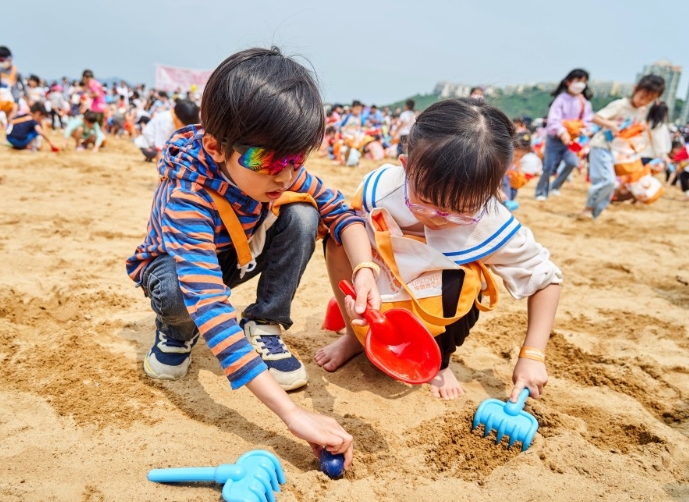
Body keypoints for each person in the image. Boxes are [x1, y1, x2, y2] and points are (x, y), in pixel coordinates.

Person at [126, 48, 383, 469]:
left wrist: (365, 271)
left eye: (296, 159)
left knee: (303, 213)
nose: (284, 175)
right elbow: (210, 304)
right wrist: (292, 414)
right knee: (177, 290)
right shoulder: (186, 198)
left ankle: (264, 323)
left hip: (236, 255)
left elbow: (342, 212)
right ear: (215, 147)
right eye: (267, 161)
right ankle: (176, 332)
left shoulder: (278, 169)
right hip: (177, 269)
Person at [315, 98, 561, 402]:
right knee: (340, 238)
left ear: (492, 192)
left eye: (460, 211)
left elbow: (545, 279)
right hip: (381, 285)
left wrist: (532, 355)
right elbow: (349, 225)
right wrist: (363, 271)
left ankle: (440, 361)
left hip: (435, 304)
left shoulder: (490, 222)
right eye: (425, 201)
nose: (437, 217)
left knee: (466, 280)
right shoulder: (382, 188)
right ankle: (354, 338)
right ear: (407, 167)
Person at [580, 75, 665, 220]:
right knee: (607, 181)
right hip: (602, 145)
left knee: (612, 184)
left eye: (649, 100)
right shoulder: (620, 105)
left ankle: (595, 214)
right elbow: (594, 117)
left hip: (618, 152)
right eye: (642, 97)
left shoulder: (641, 111)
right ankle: (588, 209)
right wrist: (610, 124)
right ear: (635, 89)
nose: (644, 101)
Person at [536, 69, 594, 200]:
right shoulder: (560, 99)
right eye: (578, 80)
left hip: (572, 140)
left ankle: (555, 186)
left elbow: (588, 122)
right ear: (568, 82)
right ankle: (541, 192)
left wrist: (582, 131)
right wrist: (562, 132)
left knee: (572, 162)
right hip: (555, 138)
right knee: (548, 167)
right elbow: (553, 120)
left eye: (584, 81)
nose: (581, 84)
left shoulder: (584, 103)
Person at [0, 45, 25, 118]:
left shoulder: (16, 72)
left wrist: (27, 97)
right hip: (3, 99)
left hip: (14, 98)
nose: (1, 62)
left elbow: (23, 86)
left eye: (2, 59)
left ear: (9, 58)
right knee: (4, 117)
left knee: (12, 117)